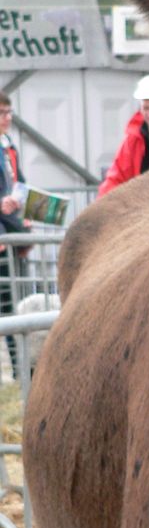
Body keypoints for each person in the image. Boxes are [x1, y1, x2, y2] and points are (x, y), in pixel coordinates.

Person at [0, 91, 30, 378]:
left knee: (13, 305)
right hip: (3, 236)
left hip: (12, 235)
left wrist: (25, 207)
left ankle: (21, 370)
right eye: (1, 113)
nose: (7, 119)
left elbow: (20, 183)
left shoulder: (9, 147)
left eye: (9, 112)